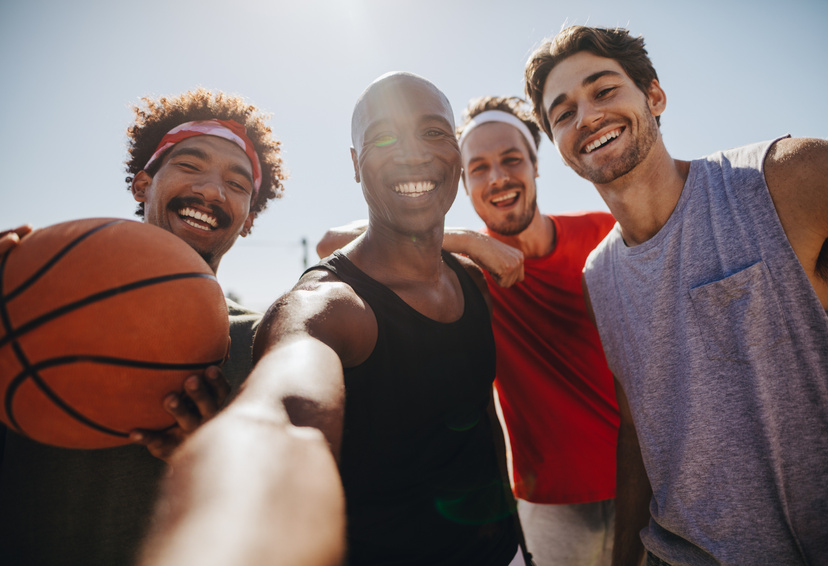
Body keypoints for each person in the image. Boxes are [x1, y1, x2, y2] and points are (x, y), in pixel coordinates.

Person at [142, 72, 526, 566]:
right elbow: (284, 417)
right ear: (354, 164)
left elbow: (480, 423)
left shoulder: (470, 281)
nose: (413, 153)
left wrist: (517, 540)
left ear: (456, 149)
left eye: (433, 132)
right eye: (384, 136)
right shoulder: (327, 306)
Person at [524, 25, 828, 566]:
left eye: (604, 90)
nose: (586, 117)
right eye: (563, 113)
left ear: (654, 95)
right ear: (559, 146)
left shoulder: (783, 177)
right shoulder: (597, 276)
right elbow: (637, 432)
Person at [318, 95, 620, 566]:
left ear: (536, 165)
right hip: (548, 502)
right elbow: (330, 242)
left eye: (511, 160)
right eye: (478, 167)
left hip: (644, 479)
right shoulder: (465, 270)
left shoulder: (605, 234)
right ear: (460, 176)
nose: (497, 178)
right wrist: (468, 239)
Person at [0, 88, 287, 566]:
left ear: (249, 220)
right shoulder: (27, 306)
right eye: (191, 166)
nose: (213, 190)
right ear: (142, 185)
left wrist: (223, 461)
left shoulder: (270, 344)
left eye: (238, 185)